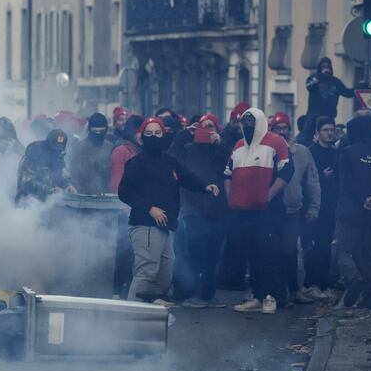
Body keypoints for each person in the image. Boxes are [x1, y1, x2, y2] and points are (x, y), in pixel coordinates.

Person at [118, 117, 220, 305]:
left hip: (166, 225)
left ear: (164, 135)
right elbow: (124, 192)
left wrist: (206, 186)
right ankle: (132, 313)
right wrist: (150, 209)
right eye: (149, 133)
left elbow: (187, 176)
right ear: (141, 137)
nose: (154, 137)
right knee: (147, 271)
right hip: (145, 225)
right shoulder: (137, 162)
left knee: (164, 274)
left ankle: (151, 315)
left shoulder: (168, 160)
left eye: (158, 133)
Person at [225, 108, 294, 314]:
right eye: (244, 123)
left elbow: (287, 171)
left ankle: (270, 297)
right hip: (243, 212)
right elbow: (227, 173)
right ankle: (256, 296)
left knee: (269, 254)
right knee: (250, 253)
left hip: (268, 211)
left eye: (251, 123)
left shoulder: (276, 142)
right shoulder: (238, 146)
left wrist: (269, 196)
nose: (247, 127)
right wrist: (230, 199)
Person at [169, 114, 230, 308]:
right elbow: (171, 157)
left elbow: (233, 162)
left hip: (217, 208)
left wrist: (220, 143)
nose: (207, 130)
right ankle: (191, 294)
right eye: (203, 127)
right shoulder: (188, 149)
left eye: (211, 126)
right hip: (193, 207)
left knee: (213, 254)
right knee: (195, 252)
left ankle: (208, 294)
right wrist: (184, 134)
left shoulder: (220, 150)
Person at [333, 113, 371, 309]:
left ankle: (353, 278)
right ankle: (370, 297)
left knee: (341, 250)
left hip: (350, 213)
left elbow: (347, 183)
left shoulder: (348, 152)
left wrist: (363, 199)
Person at [269, 112, 321, 307]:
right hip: (270, 208)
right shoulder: (266, 150)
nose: (282, 132)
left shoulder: (302, 152)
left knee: (290, 250)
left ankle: (294, 290)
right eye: (278, 128)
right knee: (273, 251)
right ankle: (276, 292)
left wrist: (314, 207)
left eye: (285, 128)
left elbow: (312, 182)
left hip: (292, 208)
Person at [110, 114, 144, 298]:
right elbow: (117, 183)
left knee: (134, 252)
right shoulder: (122, 151)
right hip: (126, 209)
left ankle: (130, 288)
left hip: (138, 207)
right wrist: (126, 205)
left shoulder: (137, 151)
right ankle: (118, 289)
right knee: (123, 251)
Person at [303, 117, 338, 298]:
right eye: (325, 130)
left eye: (331, 129)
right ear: (317, 133)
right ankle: (311, 284)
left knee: (325, 247)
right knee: (313, 247)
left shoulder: (336, 152)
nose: (329, 133)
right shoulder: (310, 152)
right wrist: (322, 177)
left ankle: (323, 284)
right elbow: (306, 180)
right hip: (314, 207)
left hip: (331, 207)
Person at [15, 129, 77, 204]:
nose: (56, 151)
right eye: (54, 148)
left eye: (59, 148)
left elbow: (61, 175)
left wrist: (67, 185)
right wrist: (49, 190)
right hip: (27, 203)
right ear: (47, 144)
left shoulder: (58, 156)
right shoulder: (33, 155)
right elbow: (27, 183)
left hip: (48, 204)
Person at [68, 113, 114, 195]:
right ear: (89, 130)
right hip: (85, 195)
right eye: (95, 131)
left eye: (101, 131)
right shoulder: (79, 148)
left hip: (106, 195)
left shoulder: (110, 148)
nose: (98, 134)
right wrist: (78, 191)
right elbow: (74, 173)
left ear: (106, 130)